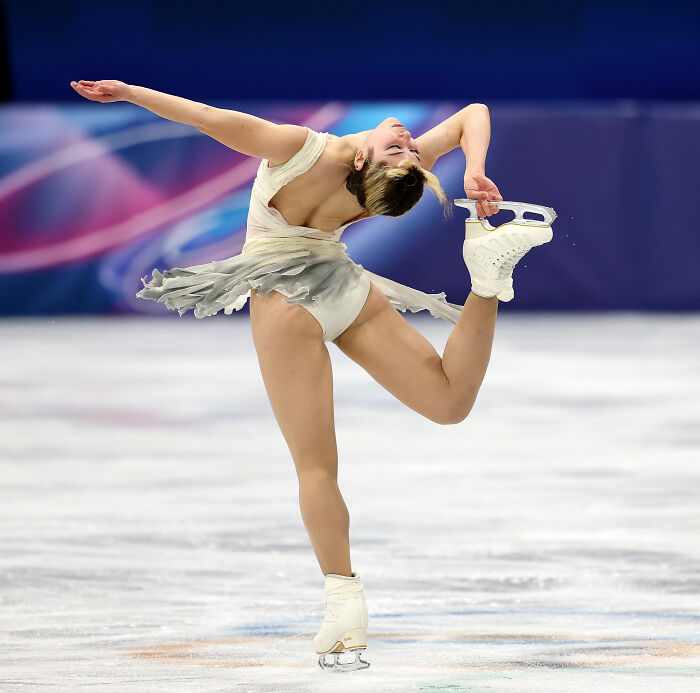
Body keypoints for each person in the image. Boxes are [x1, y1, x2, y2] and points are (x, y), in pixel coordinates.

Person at [70, 79, 554, 672]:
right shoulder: (382, 168)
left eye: (400, 150)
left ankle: (344, 602)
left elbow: (208, 116)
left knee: (322, 463)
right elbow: (473, 114)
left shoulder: (306, 148)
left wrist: (130, 94)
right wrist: (474, 168)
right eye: (402, 148)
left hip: (286, 302)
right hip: (338, 284)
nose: (405, 142)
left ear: (362, 161)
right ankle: (483, 279)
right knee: (440, 407)